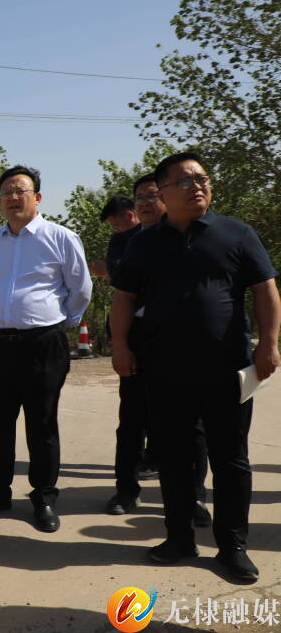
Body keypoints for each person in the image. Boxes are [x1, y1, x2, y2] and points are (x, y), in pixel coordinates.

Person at [111, 152, 279, 582]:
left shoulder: (236, 233)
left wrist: (269, 345)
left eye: (202, 178)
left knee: (231, 459)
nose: (197, 186)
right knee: (174, 457)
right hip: (164, 370)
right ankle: (179, 537)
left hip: (227, 370)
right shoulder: (144, 242)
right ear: (164, 192)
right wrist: (121, 346)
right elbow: (124, 297)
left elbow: (265, 290)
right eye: (185, 181)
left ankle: (233, 545)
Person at [0, 165, 92, 533]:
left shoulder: (61, 237)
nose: (13, 197)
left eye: (21, 190)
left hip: (42, 344)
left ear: (37, 197)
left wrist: (60, 322)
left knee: (42, 423)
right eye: (6, 191)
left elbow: (80, 288)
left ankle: (44, 497)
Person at [105, 176, 209, 518]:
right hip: (140, 341)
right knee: (132, 420)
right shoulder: (131, 243)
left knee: (191, 424)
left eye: (152, 196)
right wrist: (120, 345)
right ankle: (126, 490)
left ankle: (194, 496)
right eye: (140, 198)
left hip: (185, 342)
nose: (146, 203)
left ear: (167, 197)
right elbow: (122, 297)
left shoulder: (195, 237)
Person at [87, 195, 139, 280]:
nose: (116, 230)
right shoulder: (118, 240)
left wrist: (107, 271)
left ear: (129, 215)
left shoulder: (156, 234)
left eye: (116, 225)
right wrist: (108, 272)